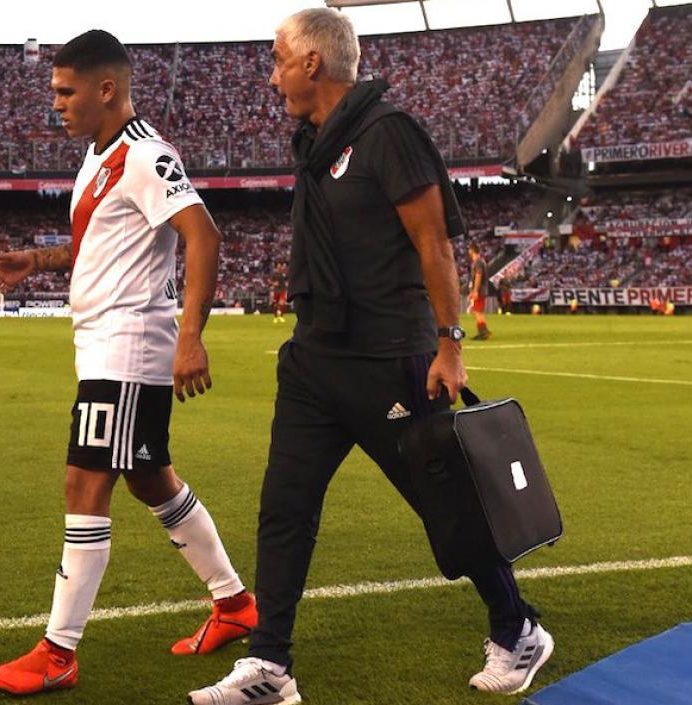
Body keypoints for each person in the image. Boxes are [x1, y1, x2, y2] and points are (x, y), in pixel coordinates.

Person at [190, 10, 551, 704]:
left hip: (391, 357)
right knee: (284, 504)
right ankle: (271, 666)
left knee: (445, 505)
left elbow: (436, 243)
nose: (270, 78)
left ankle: (519, 626)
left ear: (312, 65)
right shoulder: (317, 142)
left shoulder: (389, 133)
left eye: (276, 60)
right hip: (314, 359)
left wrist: (450, 344)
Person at [0, 30, 256, 697]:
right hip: (102, 343)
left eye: (66, 92)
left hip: (128, 346)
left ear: (107, 89)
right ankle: (237, 605)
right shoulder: (100, 154)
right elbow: (101, 245)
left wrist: (192, 335)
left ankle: (58, 651)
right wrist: (33, 261)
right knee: (149, 478)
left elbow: (203, 233)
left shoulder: (144, 153)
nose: (57, 105)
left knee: (85, 482)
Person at [468, 243, 491, 339]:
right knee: (477, 311)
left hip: (480, 290)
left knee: (477, 311)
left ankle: (483, 332)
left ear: (472, 251)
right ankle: (483, 330)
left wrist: (475, 291)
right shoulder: (479, 262)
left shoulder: (478, 262)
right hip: (480, 289)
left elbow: (478, 275)